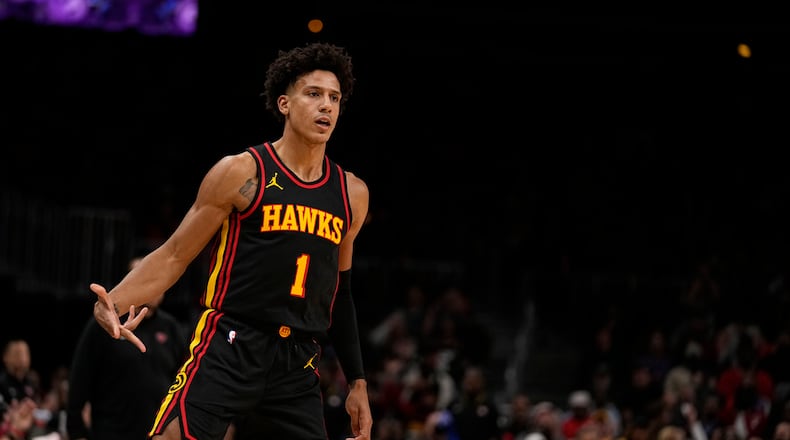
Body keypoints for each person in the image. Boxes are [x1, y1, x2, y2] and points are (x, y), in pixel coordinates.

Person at [89, 41, 373, 440]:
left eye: (334, 98)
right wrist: (113, 303)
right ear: (284, 104)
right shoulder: (241, 172)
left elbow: (340, 293)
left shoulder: (351, 193)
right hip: (230, 342)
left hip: (297, 360)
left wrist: (357, 382)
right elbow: (174, 255)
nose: (326, 105)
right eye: (313, 94)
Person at [67, 256, 188, 440]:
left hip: (158, 435)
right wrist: (76, 433)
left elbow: (184, 383)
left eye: (155, 278)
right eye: (142, 277)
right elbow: (79, 378)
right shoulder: (106, 324)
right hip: (111, 433)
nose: (150, 284)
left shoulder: (172, 328)